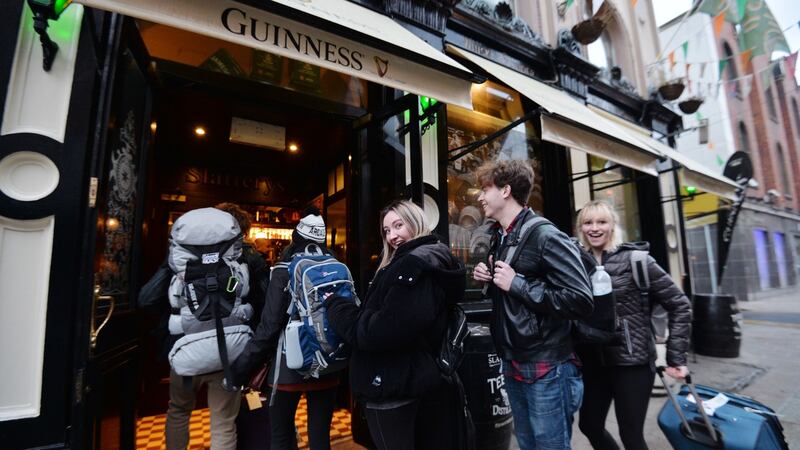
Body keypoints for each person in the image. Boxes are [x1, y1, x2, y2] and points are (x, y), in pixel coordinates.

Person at [471, 159, 593, 450]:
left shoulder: (545, 235)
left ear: (505, 191)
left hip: (547, 366)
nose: (480, 196)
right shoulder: (501, 236)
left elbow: (580, 299)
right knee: (527, 444)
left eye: (485, 189)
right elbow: (513, 297)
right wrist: (490, 281)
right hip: (514, 361)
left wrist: (517, 284)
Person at [326, 200, 467, 450]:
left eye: (398, 226)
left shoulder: (413, 265)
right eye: (387, 230)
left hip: (392, 385)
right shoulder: (426, 259)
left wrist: (337, 307)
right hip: (412, 378)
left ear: (416, 222)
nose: (392, 236)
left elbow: (381, 331)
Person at [138, 204, 267, 450]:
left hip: (186, 350)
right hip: (228, 353)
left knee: (179, 411)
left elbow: (146, 300)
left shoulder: (181, 258)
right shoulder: (247, 259)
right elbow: (263, 302)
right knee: (223, 421)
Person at [574, 200, 691, 450]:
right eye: (588, 222)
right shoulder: (577, 262)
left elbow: (680, 304)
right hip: (593, 361)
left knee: (631, 435)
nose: (594, 228)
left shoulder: (637, 260)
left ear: (612, 225)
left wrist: (676, 357)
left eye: (601, 222)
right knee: (589, 425)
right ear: (580, 227)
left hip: (632, 362)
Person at [230, 207, 340, 450]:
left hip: (288, 366)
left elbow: (269, 326)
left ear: (295, 238)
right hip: (327, 363)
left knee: (280, 437)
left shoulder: (283, 269)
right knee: (321, 437)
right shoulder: (336, 266)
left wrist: (241, 368)